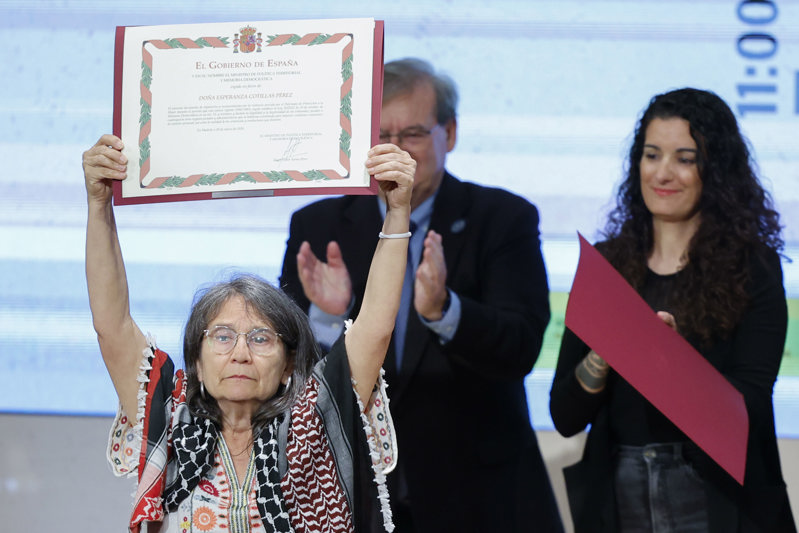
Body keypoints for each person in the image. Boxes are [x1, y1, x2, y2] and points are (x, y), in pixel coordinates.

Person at [280, 58, 563, 532]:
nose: (395, 151)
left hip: (479, 497)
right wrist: (327, 320)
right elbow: (288, 373)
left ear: (448, 134)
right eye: (382, 135)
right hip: (356, 496)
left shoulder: (504, 218)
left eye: (411, 134)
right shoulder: (317, 225)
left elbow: (522, 346)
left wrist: (446, 312)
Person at [82, 134, 416, 532]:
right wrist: (99, 203)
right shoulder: (170, 420)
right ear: (197, 365)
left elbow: (375, 328)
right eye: (222, 336)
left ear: (290, 364)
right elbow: (112, 325)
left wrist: (397, 211)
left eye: (260, 338)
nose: (241, 353)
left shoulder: (312, 422)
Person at [550, 88, 796, 532]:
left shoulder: (754, 267)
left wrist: (672, 363)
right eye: (651, 155)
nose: (663, 173)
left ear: (714, 171)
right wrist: (603, 356)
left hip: (716, 496)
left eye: (685, 158)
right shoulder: (607, 265)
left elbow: (751, 409)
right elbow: (565, 418)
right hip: (618, 496)